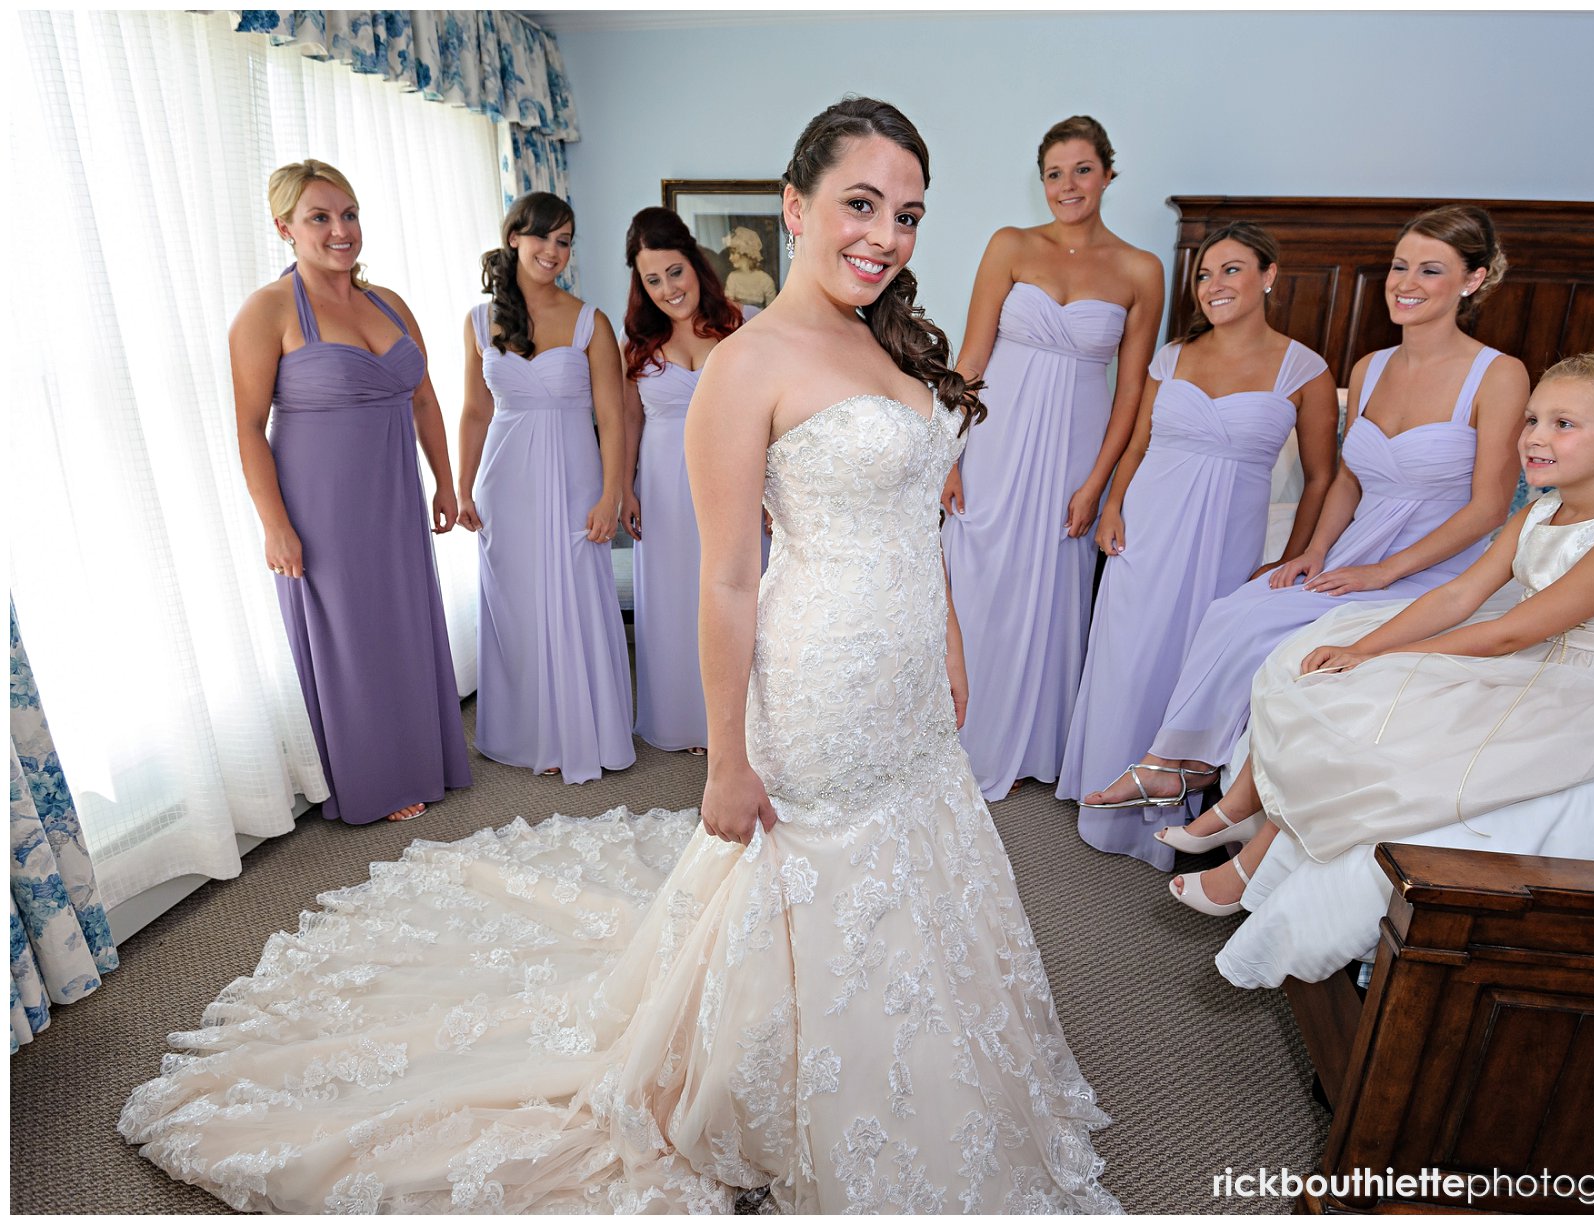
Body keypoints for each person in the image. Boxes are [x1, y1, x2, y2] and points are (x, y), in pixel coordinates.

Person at [119, 99, 1119, 1215]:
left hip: (909, 680)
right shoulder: (749, 368)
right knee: (818, 886)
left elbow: (914, 515)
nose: (886, 235)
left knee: (920, 870)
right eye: (861, 204)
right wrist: (726, 760)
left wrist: (947, 630)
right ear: (795, 209)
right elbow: (729, 580)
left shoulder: (887, 336)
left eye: (910, 214)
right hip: (823, 679)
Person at [1165, 351, 1594, 913]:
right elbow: (1459, 595)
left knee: (1382, 701)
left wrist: (1384, 660)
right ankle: (1238, 806)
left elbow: (1507, 635)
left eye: (1563, 424)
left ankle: (1251, 863)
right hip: (1539, 642)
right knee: (1311, 652)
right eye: (1532, 419)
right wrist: (1362, 647)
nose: (1533, 437)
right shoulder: (1538, 513)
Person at [1081, 204, 1529, 832]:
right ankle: (1182, 763)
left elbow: (1490, 507)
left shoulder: (1500, 375)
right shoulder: (1369, 369)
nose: (1406, 283)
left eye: (1430, 270)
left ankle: (1187, 770)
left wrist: (1384, 572)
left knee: (1271, 631)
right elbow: (1345, 478)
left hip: (1436, 563)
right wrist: (1314, 552)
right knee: (1239, 607)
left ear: (1473, 281)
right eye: (1400, 267)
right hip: (1358, 549)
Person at [1059, 222, 1336, 867]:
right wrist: (1114, 506)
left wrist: (1293, 554)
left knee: (1189, 658)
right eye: (1205, 274)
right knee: (1129, 652)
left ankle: (1172, 799)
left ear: (1269, 276)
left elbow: (1322, 476)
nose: (1215, 285)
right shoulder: (1173, 355)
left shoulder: (1305, 370)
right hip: (1148, 524)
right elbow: (1138, 442)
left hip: (1226, 541)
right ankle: (1107, 800)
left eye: (1232, 270)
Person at [228, 159, 470, 825]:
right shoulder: (267, 311)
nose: (341, 229)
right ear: (285, 228)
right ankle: (375, 778)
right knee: (350, 638)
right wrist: (275, 524)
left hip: (395, 492)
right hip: (321, 502)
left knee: (403, 621)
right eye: (320, 217)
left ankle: (421, 758)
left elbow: (423, 397)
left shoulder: (389, 302)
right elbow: (249, 427)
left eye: (349, 213)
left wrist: (445, 481)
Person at [940, 116, 1164, 801]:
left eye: (1082, 170)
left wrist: (1098, 482)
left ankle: (1036, 744)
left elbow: (1133, 390)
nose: (1068, 185)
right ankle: (955, 734)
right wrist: (946, 452)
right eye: (1054, 173)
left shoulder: (1141, 270)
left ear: (1109, 174)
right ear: (1041, 181)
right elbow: (972, 357)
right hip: (998, 435)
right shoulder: (1010, 245)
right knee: (974, 575)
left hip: (1076, 444)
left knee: (1053, 588)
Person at [455, 192, 635, 783]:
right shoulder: (479, 321)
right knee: (517, 605)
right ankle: (528, 731)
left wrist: (611, 494)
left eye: (565, 241)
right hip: (504, 482)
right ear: (514, 239)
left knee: (576, 594)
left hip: (573, 475)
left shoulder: (591, 321)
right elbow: (475, 411)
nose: (553, 252)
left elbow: (612, 418)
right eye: (543, 238)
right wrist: (462, 487)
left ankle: (581, 729)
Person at [620, 206, 756, 754]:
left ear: (695, 264)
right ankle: (688, 721)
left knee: (739, 595)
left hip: (733, 478)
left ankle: (744, 723)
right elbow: (628, 420)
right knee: (678, 598)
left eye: (674, 271)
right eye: (652, 279)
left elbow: (771, 414)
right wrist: (624, 487)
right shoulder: (639, 345)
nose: (668, 289)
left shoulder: (744, 324)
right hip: (662, 484)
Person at [720, 224, 778, 307]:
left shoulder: (765, 280)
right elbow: (728, 307)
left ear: (745, 253)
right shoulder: (733, 278)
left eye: (733, 253)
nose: (730, 258)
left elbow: (772, 310)